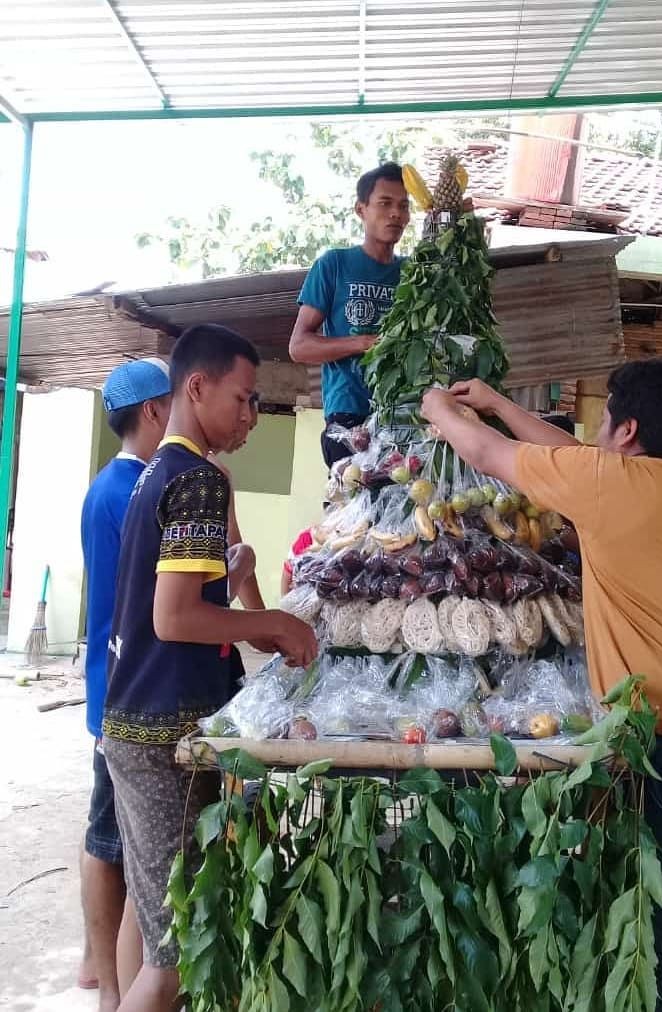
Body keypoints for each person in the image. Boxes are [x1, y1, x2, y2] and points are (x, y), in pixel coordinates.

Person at [421, 360, 662, 1011]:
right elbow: (574, 455)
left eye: (607, 414)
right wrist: (499, 400)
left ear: (629, 429)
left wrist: (436, 406)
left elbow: (486, 453)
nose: (600, 429)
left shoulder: (614, 487)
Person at [102, 324, 317, 1012]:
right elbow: (175, 618)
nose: (251, 415)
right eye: (245, 398)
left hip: (137, 724)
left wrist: (234, 578)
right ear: (196, 388)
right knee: (172, 958)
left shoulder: (155, 474)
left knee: (154, 913)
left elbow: (173, 597)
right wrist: (273, 623)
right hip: (160, 733)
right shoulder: (196, 481)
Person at [79, 358, 171, 1011]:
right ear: (155, 412)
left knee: (106, 840)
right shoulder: (138, 491)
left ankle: (101, 974)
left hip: (106, 684)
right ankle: (114, 990)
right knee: (113, 845)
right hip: (127, 692)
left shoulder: (106, 485)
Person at [289, 162, 410, 467]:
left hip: (402, 416)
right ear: (361, 209)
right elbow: (299, 346)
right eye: (385, 203)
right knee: (349, 509)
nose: (396, 213)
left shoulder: (414, 274)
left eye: (403, 206)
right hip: (348, 414)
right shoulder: (334, 265)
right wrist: (362, 343)